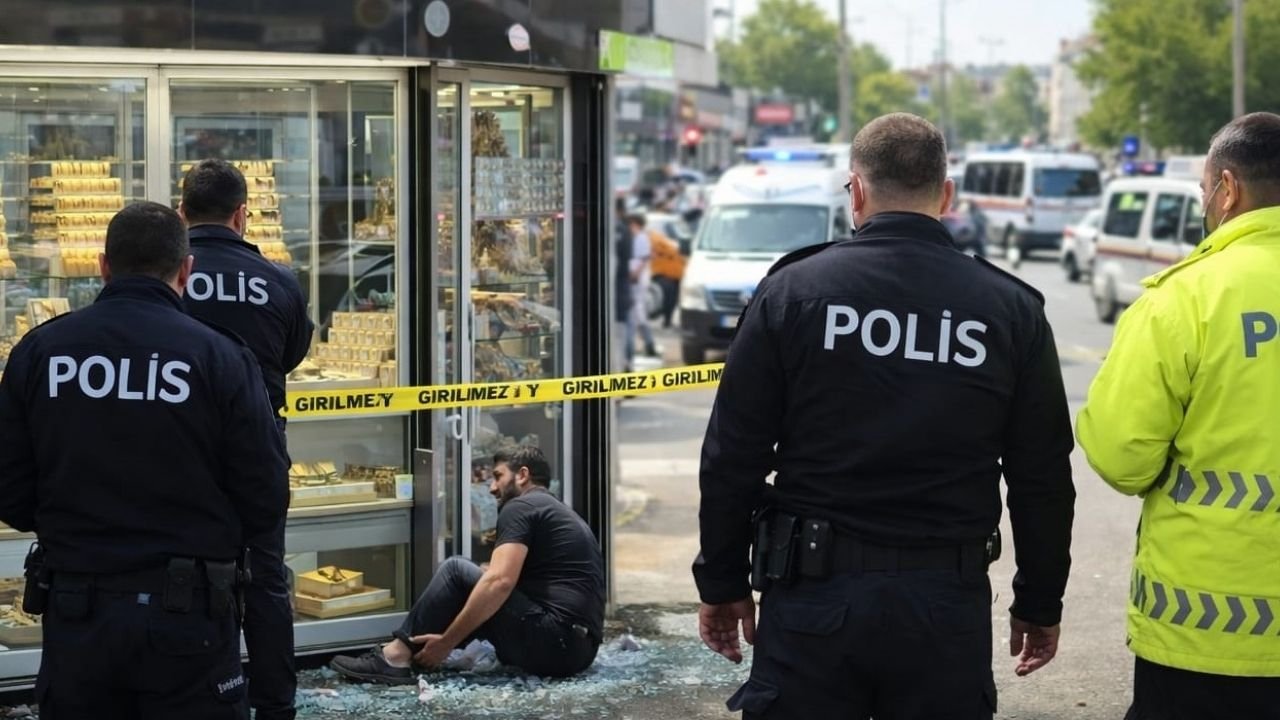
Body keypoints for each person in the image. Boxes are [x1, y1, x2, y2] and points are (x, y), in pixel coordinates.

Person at [693, 113, 1076, 719]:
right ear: (946, 195)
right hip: (944, 609)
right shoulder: (1009, 310)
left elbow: (731, 457)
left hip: (812, 600)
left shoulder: (793, 293)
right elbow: (1043, 478)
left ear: (858, 190)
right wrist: (1038, 600)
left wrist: (722, 583)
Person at [0, 202, 289, 718]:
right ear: (185, 271)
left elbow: (11, 491)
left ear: (103, 266)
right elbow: (266, 496)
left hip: (77, 612)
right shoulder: (219, 356)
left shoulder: (43, 351)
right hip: (189, 618)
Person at [1077, 112, 1280, 720]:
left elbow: (1121, 455)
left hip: (1208, 631)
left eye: (1201, 192)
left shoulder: (1184, 298)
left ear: (1227, 188)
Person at [177, 158, 312, 720]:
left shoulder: (171, 274)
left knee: (183, 570)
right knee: (265, 576)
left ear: (181, 213)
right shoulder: (278, 279)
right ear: (242, 215)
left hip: (183, 448)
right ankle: (275, 704)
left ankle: (200, 692)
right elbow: (291, 355)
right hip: (259, 449)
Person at [329, 446, 605, 683]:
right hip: (577, 651)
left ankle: (395, 657)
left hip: (556, 643)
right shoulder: (554, 508)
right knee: (481, 579)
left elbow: (500, 583)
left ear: (522, 475)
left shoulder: (521, 507)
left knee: (456, 569)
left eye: (498, 477)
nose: (493, 488)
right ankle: (421, 649)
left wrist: (447, 642)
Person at [625, 214, 659, 364]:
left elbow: (644, 259)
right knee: (638, 315)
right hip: (635, 278)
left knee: (637, 314)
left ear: (636, 224)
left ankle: (645, 345)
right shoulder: (637, 237)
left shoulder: (641, 238)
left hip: (638, 280)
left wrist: (635, 274)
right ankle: (648, 344)